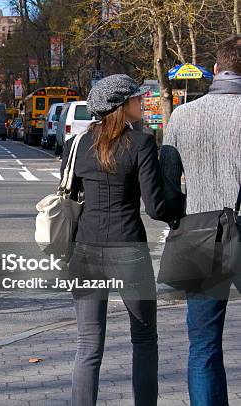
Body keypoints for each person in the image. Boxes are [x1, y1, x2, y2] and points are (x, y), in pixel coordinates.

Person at [62, 74, 182, 406]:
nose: (141, 102)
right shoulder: (141, 144)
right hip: (128, 248)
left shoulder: (76, 145)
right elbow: (155, 207)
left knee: (88, 344)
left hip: (85, 248)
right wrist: (181, 211)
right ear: (121, 106)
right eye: (136, 98)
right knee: (144, 338)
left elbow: (69, 194)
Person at [160, 34, 241, 406]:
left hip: (199, 230)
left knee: (203, 346)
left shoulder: (182, 115)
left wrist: (180, 216)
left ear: (216, 68)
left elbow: (167, 184)